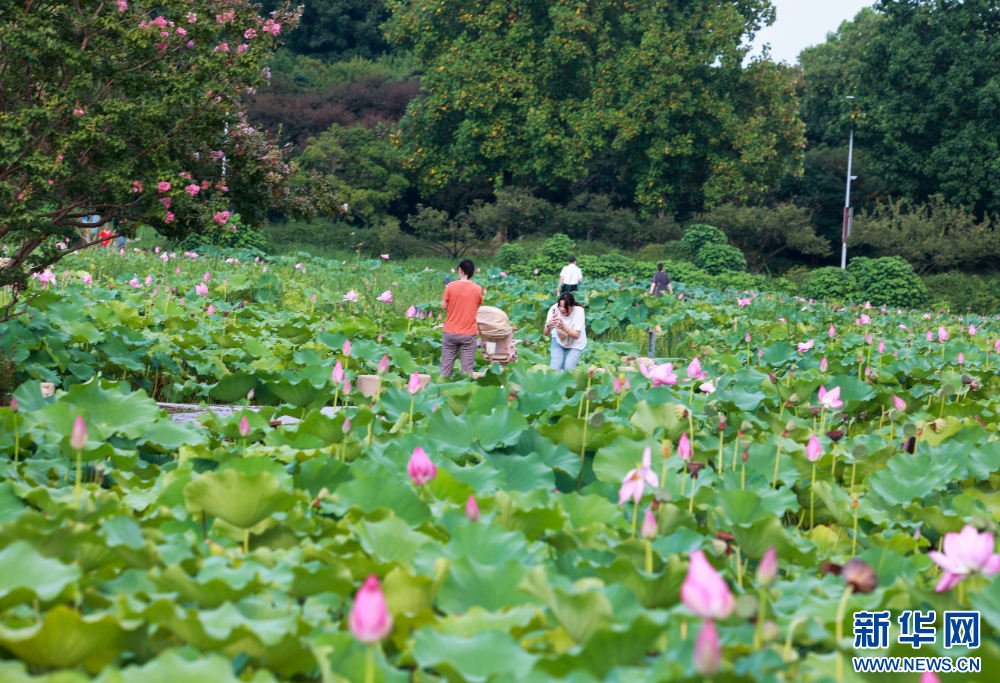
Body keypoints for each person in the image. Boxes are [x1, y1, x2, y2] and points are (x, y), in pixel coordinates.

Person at [440, 258, 483, 376]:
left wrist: (449, 294)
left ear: (460, 270)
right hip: (469, 334)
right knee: (467, 371)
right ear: (472, 272)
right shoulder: (478, 288)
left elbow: (444, 306)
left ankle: (441, 393)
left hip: (450, 332)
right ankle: (465, 391)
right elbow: (476, 307)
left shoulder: (451, 286)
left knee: (445, 370)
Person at [544, 292, 587, 371]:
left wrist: (563, 327)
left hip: (576, 343)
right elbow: (546, 333)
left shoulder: (579, 311)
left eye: (565, 306)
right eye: (560, 306)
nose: (561, 309)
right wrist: (549, 324)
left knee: (569, 368)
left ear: (572, 306)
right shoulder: (554, 310)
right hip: (558, 341)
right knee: (555, 367)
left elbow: (576, 335)